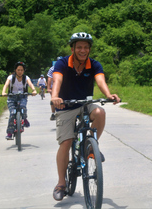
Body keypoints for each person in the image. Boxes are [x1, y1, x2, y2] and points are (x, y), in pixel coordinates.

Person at [50, 32, 121, 202]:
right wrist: (55, 97)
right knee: (66, 142)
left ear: (89, 49)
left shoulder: (94, 65)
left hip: (84, 103)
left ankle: (91, 147)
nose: (83, 50)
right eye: (79, 47)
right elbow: (57, 80)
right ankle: (61, 183)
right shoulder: (62, 63)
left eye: (86, 47)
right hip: (65, 105)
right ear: (72, 48)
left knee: (100, 113)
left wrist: (108, 94)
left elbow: (100, 81)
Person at [1, 62, 37, 139]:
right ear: (15, 70)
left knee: (23, 108)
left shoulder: (26, 78)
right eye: (18, 70)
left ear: (24, 71)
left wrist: (34, 90)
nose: (20, 71)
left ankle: (24, 118)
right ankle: (9, 133)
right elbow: (6, 85)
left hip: (22, 96)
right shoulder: (11, 77)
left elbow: (31, 84)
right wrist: (3, 92)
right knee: (12, 114)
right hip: (11, 97)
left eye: (21, 70)